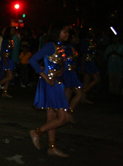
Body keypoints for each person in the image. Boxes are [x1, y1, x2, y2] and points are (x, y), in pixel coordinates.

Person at [28, 21, 70, 157]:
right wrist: (45, 78)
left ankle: (52, 147)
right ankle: (37, 132)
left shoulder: (60, 47)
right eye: (65, 32)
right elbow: (33, 60)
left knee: (51, 116)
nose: (67, 34)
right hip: (51, 84)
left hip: (57, 83)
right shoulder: (50, 46)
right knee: (63, 118)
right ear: (57, 33)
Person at [63, 29, 83, 123]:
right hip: (68, 73)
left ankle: (64, 112)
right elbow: (62, 59)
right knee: (79, 94)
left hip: (71, 72)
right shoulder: (68, 48)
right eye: (76, 37)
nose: (77, 39)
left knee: (68, 92)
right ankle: (68, 113)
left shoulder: (72, 48)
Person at [79, 29, 100, 103]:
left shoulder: (91, 41)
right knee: (95, 78)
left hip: (91, 61)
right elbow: (84, 54)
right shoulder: (85, 41)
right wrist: (82, 66)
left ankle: (83, 98)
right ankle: (82, 93)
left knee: (86, 80)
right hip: (87, 62)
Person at [0, 27, 15, 98]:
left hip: (9, 58)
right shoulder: (6, 40)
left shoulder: (10, 40)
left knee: (8, 77)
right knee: (10, 76)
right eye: (12, 30)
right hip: (7, 59)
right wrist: (5, 60)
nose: (14, 32)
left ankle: (5, 91)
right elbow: (3, 51)